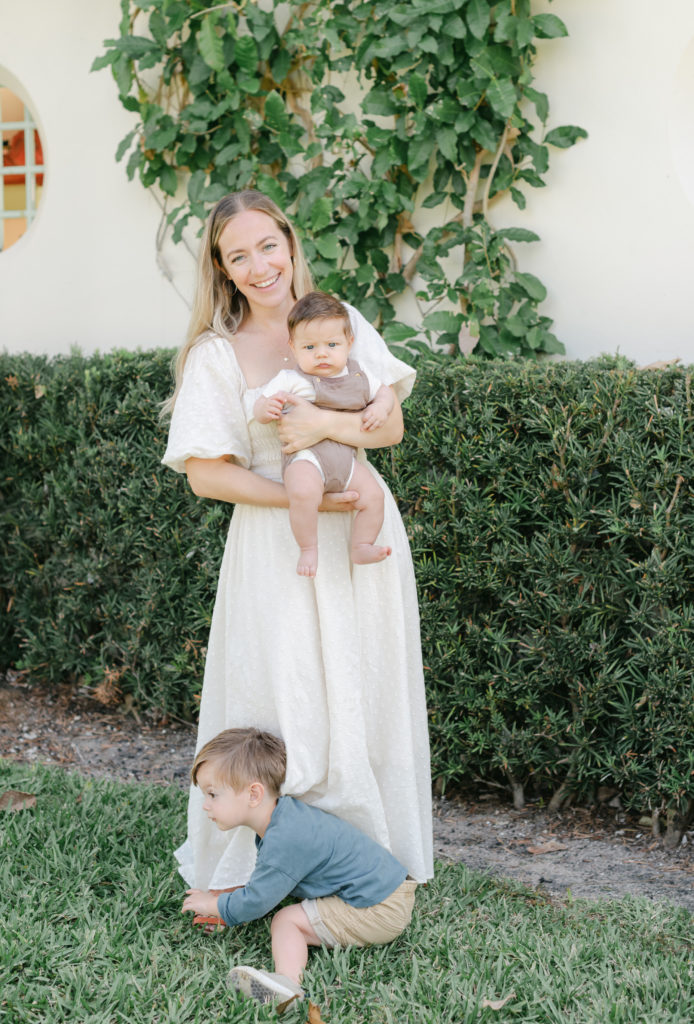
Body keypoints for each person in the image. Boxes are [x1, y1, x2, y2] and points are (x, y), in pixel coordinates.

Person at [162, 189, 433, 930]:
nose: (259, 266)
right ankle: (267, 868)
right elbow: (205, 472)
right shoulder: (217, 354)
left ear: (289, 240)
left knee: (360, 681)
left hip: (362, 542)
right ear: (220, 269)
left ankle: (366, 856)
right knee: (284, 692)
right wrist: (296, 498)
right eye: (237, 256)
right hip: (276, 545)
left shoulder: (339, 324)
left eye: (267, 246)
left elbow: (392, 426)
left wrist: (324, 421)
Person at [182, 728, 417, 1009]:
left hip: (379, 908)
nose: (206, 806)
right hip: (386, 890)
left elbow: (257, 902)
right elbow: (269, 883)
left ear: (253, 794)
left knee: (286, 920)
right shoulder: (287, 818)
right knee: (289, 912)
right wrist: (231, 898)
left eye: (212, 794)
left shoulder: (285, 839)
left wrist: (216, 905)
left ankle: (287, 985)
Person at [252, 291, 394, 576]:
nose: (321, 353)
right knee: (303, 493)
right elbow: (260, 404)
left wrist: (380, 406)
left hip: (346, 461)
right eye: (309, 347)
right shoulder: (292, 379)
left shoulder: (359, 374)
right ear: (293, 348)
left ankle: (362, 544)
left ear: (349, 343)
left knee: (374, 496)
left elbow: (385, 393)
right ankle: (308, 547)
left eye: (332, 344)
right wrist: (266, 408)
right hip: (306, 458)